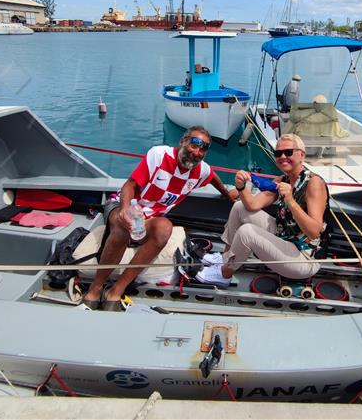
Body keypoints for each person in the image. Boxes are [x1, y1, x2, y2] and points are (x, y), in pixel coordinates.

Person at [82, 125, 238, 310]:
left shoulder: (201, 171)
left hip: (148, 219)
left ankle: (116, 290)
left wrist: (226, 194)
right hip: (124, 204)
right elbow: (130, 185)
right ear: (182, 142)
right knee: (123, 226)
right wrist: (125, 209)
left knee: (165, 227)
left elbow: (213, 177)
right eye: (194, 144)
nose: (197, 152)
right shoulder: (159, 155)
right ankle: (96, 287)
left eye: (203, 148)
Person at [195, 134, 329, 286]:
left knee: (248, 232)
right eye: (278, 153)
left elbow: (314, 232)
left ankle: (224, 274)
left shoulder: (313, 183)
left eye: (288, 152)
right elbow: (252, 205)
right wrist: (241, 187)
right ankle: (226, 256)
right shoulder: (282, 180)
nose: (283, 157)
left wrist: (291, 201)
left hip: (304, 258)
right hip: (285, 237)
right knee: (239, 207)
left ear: (301, 155)